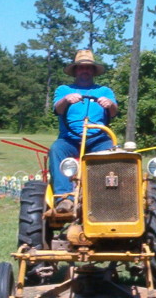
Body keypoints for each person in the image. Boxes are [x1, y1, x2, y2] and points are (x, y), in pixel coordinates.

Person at [49, 50, 118, 212]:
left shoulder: (105, 91)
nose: (85, 71)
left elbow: (114, 112)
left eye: (88, 68)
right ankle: (65, 198)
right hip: (70, 139)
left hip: (98, 139)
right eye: (81, 68)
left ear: (93, 71)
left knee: (115, 154)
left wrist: (110, 104)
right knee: (56, 149)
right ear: (75, 71)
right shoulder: (64, 90)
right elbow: (58, 109)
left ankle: (108, 198)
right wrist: (66, 100)